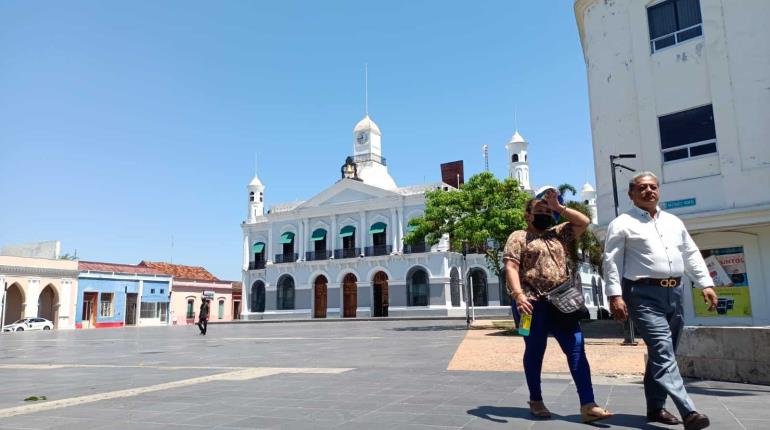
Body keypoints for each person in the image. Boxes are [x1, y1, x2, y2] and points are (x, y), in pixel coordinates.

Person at [603, 172, 718, 430]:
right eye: (642, 188)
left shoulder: (674, 222)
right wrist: (614, 295)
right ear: (631, 194)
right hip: (642, 294)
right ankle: (689, 411)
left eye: (653, 187)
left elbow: (690, 253)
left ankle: (655, 408)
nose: (648, 191)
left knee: (663, 353)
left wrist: (706, 284)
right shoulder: (622, 223)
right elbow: (611, 261)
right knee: (663, 351)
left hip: (675, 293)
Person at [503, 189, 613, 423]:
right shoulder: (518, 236)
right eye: (538, 211)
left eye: (546, 211)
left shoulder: (558, 234)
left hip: (562, 302)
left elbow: (584, 221)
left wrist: (559, 208)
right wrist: (519, 295)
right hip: (530, 304)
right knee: (534, 349)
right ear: (528, 215)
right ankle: (536, 399)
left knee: (576, 348)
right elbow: (511, 267)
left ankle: (588, 404)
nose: (543, 214)